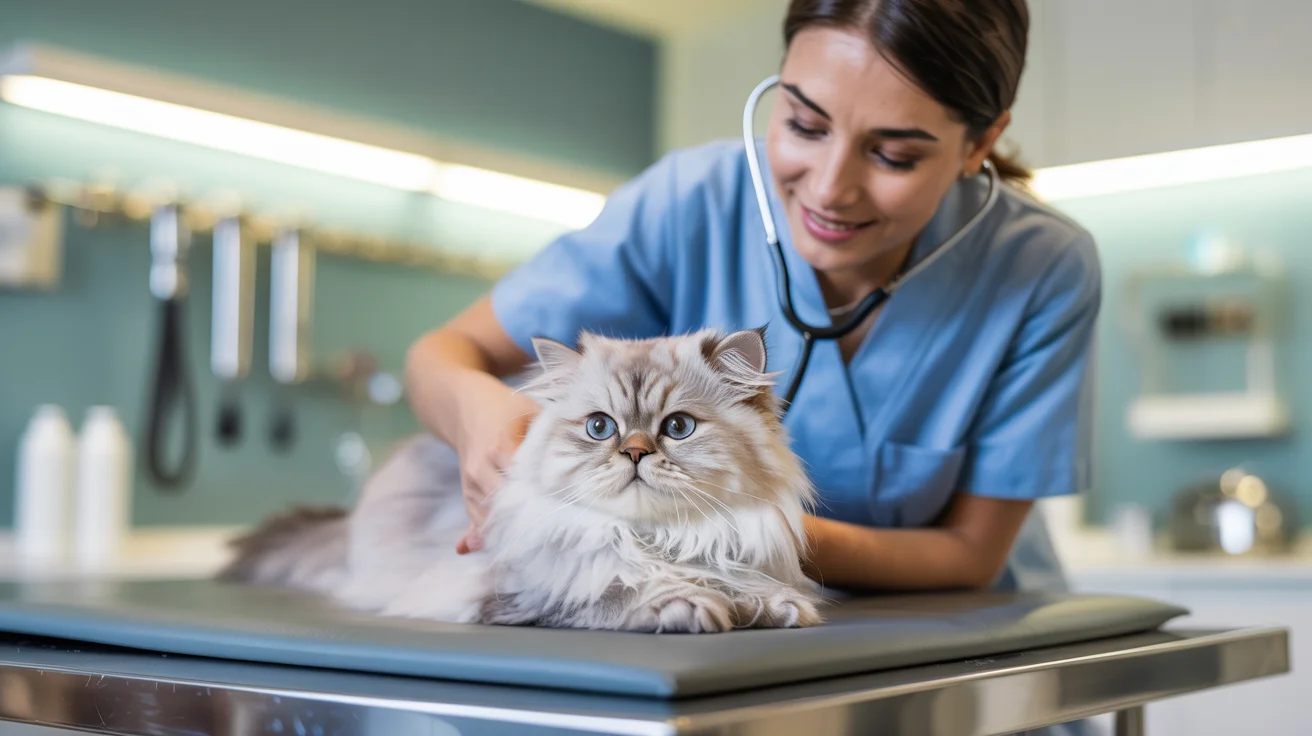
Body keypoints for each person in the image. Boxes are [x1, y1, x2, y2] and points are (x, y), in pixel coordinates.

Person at [405, 0, 1100, 599]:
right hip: (719, 630)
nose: (830, 188)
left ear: (981, 142)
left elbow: (970, 554)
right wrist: (480, 413)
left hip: (956, 643)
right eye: (803, 124)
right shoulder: (689, 203)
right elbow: (439, 356)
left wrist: (722, 528)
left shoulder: (1040, 266)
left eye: (893, 156)